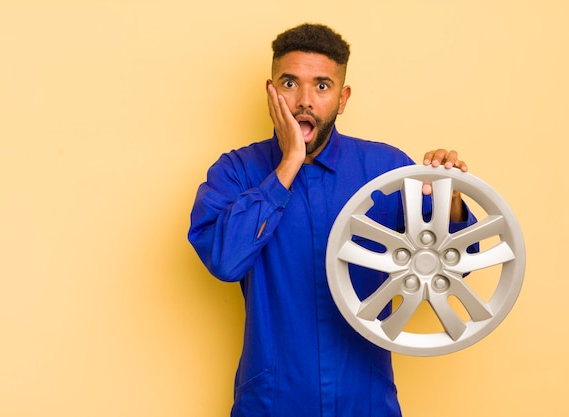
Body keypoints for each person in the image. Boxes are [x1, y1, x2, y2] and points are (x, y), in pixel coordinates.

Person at [189, 23, 477, 417]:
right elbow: (225, 261)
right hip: (272, 402)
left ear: (342, 99)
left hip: (367, 401)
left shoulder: (387, 169)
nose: (304, 101)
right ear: (271, 92)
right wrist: (289, 164)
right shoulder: (236, 171)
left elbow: (455, 268)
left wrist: (452, 196)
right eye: (290, 84)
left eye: (322, 86)